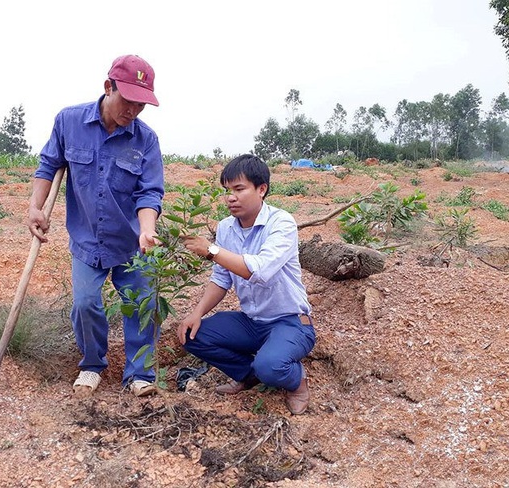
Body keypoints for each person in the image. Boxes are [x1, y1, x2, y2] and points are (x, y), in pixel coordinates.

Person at [28, 54, 164, 398]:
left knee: (142, 303)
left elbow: (149, 193)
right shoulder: (69, 121)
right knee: (86, 303)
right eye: (128, 100)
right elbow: (49, 165)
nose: (133, 110)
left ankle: (139, 373)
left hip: (132, 242)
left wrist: (147, 230)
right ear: (108, 87)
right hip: (87, 240)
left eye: (141, 104)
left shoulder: (145, 139)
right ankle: (92, 364)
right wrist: (36, 207)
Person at [178, 154, 316, 414]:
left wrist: (211, 250)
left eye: (239, 189)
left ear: (261, 189)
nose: (231, 197)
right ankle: (247, 374)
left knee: (271, 366)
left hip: (290, 322)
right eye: (227, 191)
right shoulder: (226, 228)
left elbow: (260, 270)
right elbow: (221, 278)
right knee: (191, 334)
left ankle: (297, 382)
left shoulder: (281, 223)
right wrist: (195, 313)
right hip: (252, 322)